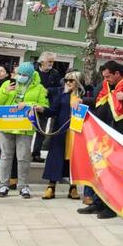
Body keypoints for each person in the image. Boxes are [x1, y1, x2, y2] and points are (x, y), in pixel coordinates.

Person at [77, 61, 123, 219]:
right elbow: (99, 102)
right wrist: (83, 101)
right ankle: (98, 202)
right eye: (104, 76)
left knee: (115, 174)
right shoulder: (106, 85)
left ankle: (112, 206)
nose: (106, 79)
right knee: (101, 169)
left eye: (108, 76)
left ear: (117, 73)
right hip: (104, 135)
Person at [0, 62, 49, 198]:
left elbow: (44, 106)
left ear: (31, 75)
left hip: (24, 127)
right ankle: (4, 184)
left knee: (23, 157)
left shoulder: (39, 88)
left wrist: (29, 104)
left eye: (25, 75)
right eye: (19, 74)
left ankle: (23, 186)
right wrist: (5, 92)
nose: (21, 77)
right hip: (6, 125)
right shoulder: (7, 84)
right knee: (6, 155)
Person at [39, 70, 84, 200]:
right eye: (66, 80)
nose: (68, 83)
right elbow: (53, 110)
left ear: (78, 81)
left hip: (78, 133)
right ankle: (51, 187)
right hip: (61, 131)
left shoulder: (86, 95)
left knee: (74, 159)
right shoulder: (62, 94)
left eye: (71, 80)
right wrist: (42, 109)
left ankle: (73, 187)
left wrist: (83, 101)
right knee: (55, 157)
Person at [31, 52, 62, 162]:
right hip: (31, 103)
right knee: (27, 130)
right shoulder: (33, 71)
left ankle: (36, 153)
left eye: (52, 62)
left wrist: (49, 90)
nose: (51, 64)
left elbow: (59, 88)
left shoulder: (55, 73)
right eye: (49, 61)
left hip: (44, 105)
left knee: (41, 131)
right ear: (42, 62)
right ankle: (24, 152)